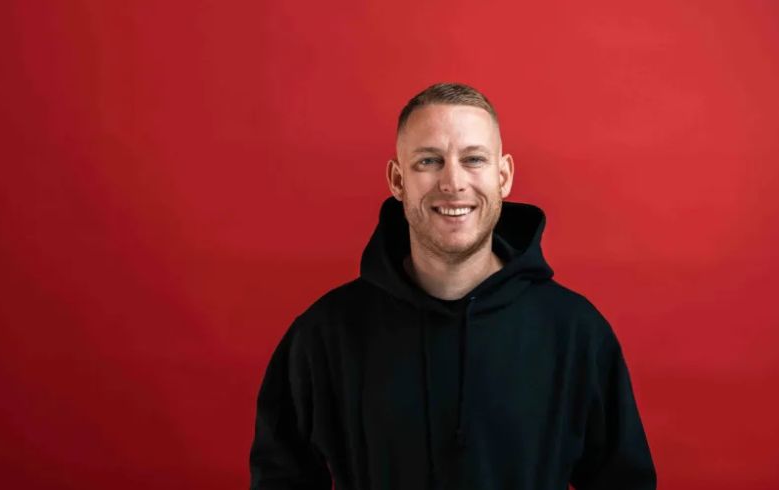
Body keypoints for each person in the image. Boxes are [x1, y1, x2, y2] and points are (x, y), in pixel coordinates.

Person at [249, 82, 656, 489]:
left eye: (474, 159)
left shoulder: (575, 333)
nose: (453, 182)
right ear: (396, 180)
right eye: (428, 161)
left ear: (504, 176)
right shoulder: (325, 333)